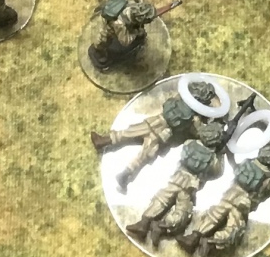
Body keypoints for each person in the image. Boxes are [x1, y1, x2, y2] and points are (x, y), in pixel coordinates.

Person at [180, 115, 270, 257]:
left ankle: (195, 235)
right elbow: (263, 195)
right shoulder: (268, 180)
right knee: (234, 227)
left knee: (214, 215)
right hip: (243, 203)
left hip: (229, 195)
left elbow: (236, 172)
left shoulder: (248, 163)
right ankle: (211, 242)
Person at [92, 77, 229, 188]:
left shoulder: (196, 118)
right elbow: (168, 103)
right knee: (130, 131)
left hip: (165, 133)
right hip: (156, 121)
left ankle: (126, 174)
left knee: (145, 154)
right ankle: (104, 141)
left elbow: (197, 133)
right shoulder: (182, 99)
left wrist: (204, 125)